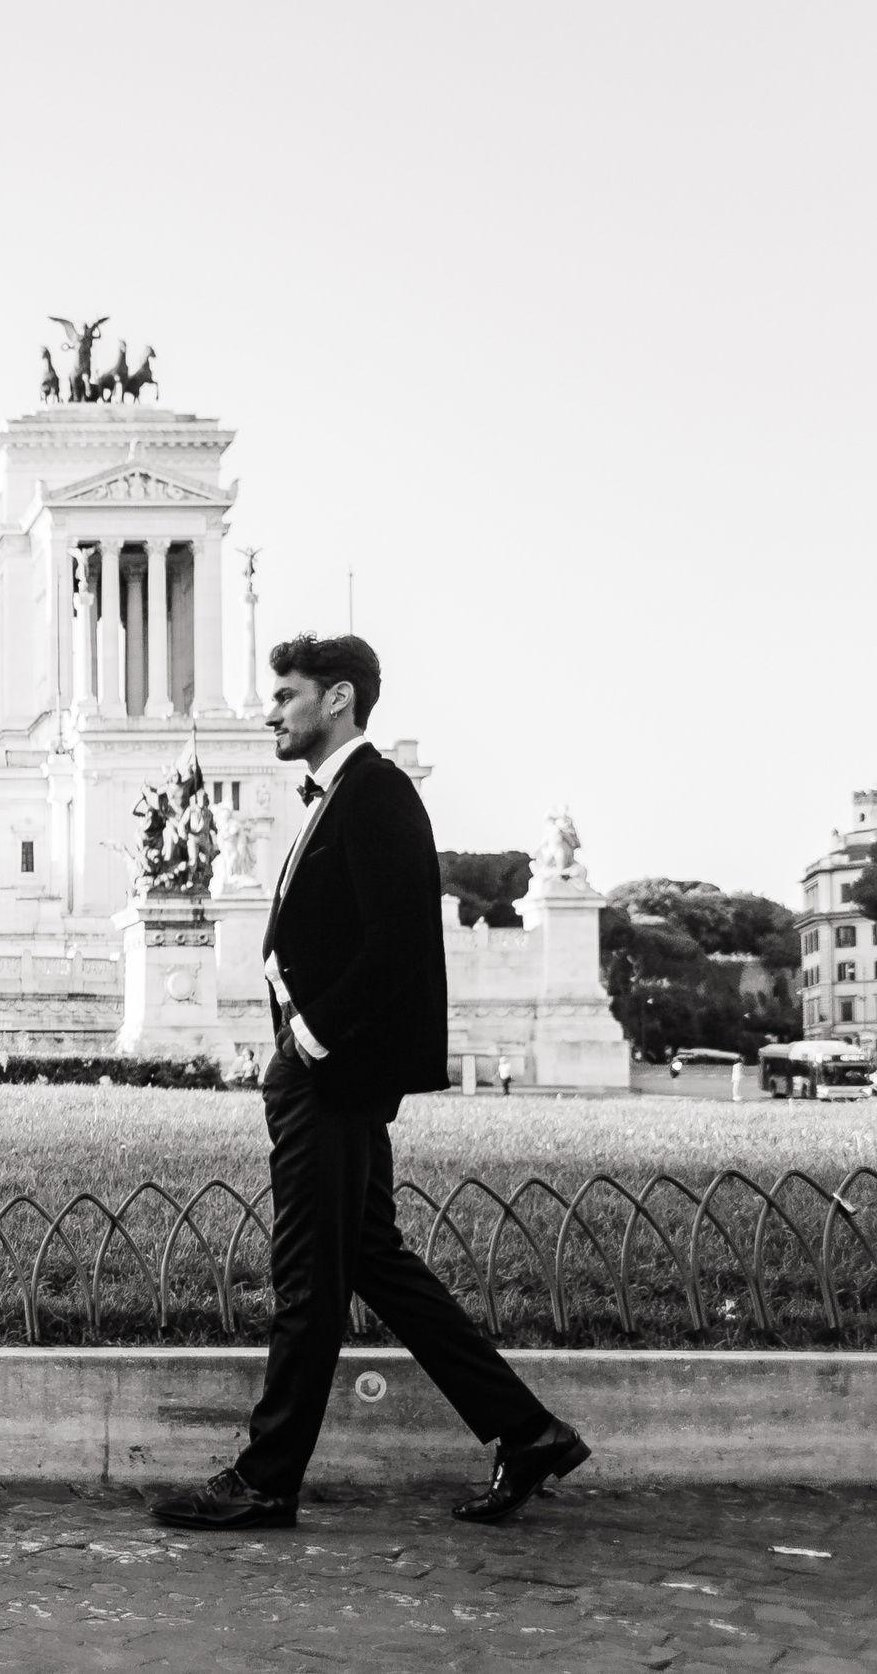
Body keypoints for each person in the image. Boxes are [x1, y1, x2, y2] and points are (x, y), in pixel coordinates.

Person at [149, 634, 588, 1533]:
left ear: (338, 698)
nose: (270, 711)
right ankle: (527, 1428)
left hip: (332, 1076)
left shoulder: (377, 791)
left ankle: (267, 1478)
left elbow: (396, 941)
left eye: (285, 694)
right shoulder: (341, 795)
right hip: (325, 1072)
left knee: (309, 1275)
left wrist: (308, 1036)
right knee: (374, 1259)